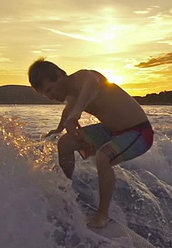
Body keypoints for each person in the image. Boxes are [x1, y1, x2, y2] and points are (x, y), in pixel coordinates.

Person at [28, 59, 154, 228]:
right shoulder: (72, 96)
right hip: (110, 131)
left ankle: (102, 215)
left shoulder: (84, 77)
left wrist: (75, 116)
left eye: (50, 90)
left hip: (139, 132)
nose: (51, 97)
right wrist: (59, 129)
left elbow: (92, 87)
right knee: (65, 143)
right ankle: (67, 191)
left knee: (103, 157)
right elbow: (68, 109)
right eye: (46, 95)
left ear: (60, 75)